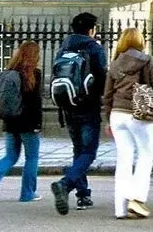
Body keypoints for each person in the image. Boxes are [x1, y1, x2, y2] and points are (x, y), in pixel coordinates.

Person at [100, 28, 153, 219]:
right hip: (139, 114)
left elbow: (108, 95)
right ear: (140, 42)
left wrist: (108, 120)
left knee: (124, 160)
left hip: (117, 115)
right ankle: (136, 199)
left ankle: (119, 209)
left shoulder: (114, 64)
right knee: (146, 156)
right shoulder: (147, 61)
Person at [50, 12, 108, 216]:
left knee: (78, 149)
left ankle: (83, 194)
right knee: (89, 151)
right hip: (88, 104)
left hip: (67, 104)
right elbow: (102, 76)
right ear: (92, 29)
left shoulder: (63, 47)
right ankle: (65, 184)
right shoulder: (93, 47)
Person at [0, 41, 44, 203]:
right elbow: (35, 103)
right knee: (32, 158)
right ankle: (27, 193)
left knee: (11, 155)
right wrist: (37, 125)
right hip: (28, 123)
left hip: (9, 121)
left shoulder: (8, 73)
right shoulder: (33, 74)